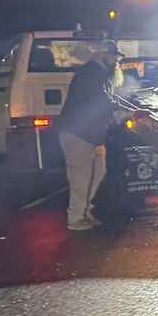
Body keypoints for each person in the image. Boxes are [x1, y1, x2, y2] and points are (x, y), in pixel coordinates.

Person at [58, 42, 121, 230]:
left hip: (91, 135)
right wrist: (125, 109)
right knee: (80, 178)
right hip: (79, 134)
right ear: (103, 54)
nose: (116, 61)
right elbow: (101, 101)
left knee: (98, 173)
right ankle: (75, 219)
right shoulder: (92, 72)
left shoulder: (98, 73)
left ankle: (85, 212)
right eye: (114, 57)